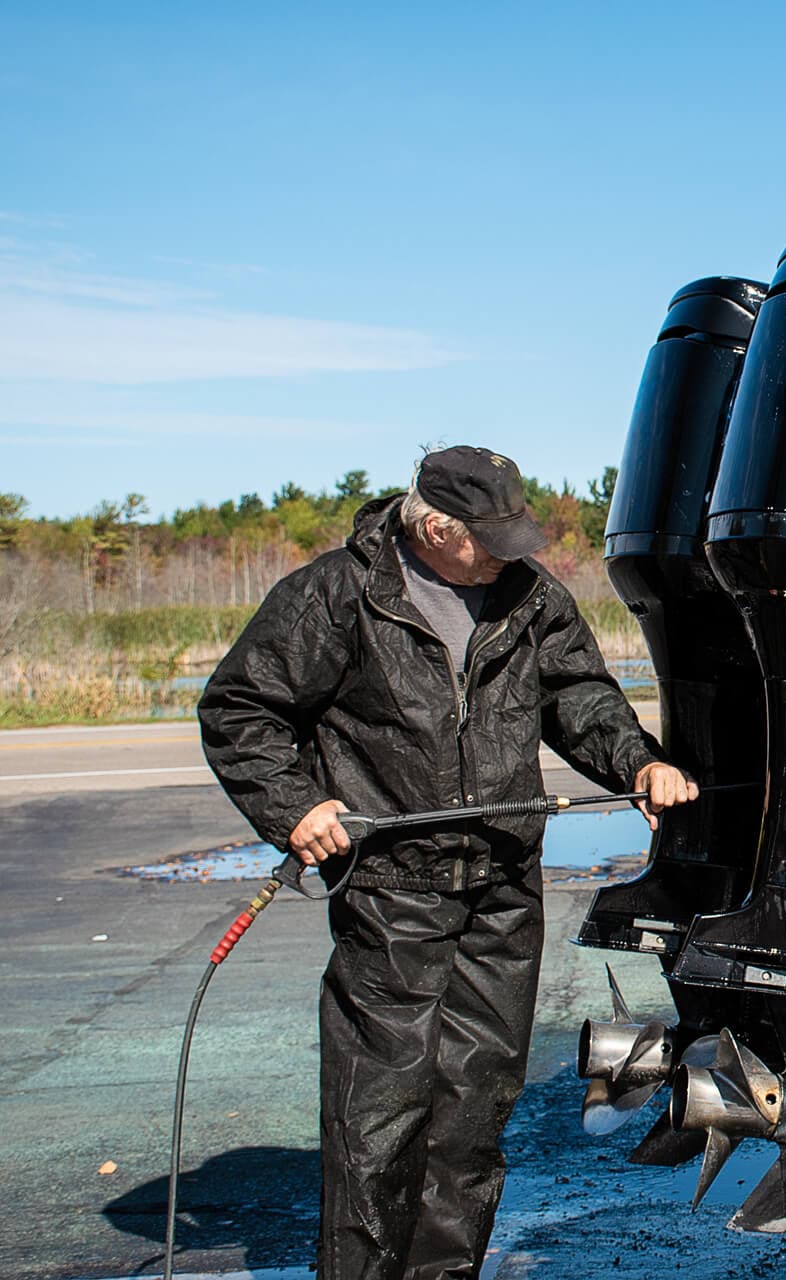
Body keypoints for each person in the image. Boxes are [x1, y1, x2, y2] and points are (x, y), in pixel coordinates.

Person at [199, 445, 696, 1279]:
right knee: (379, 1117)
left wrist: (636, 761)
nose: (510, 551)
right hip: (392, 891)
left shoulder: (530, 596)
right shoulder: (337, 595)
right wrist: (297, 807)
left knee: (472, 1115)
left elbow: (579, 697)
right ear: (434, 527)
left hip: (502, 892)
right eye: (491, 537)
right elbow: (241, 708)